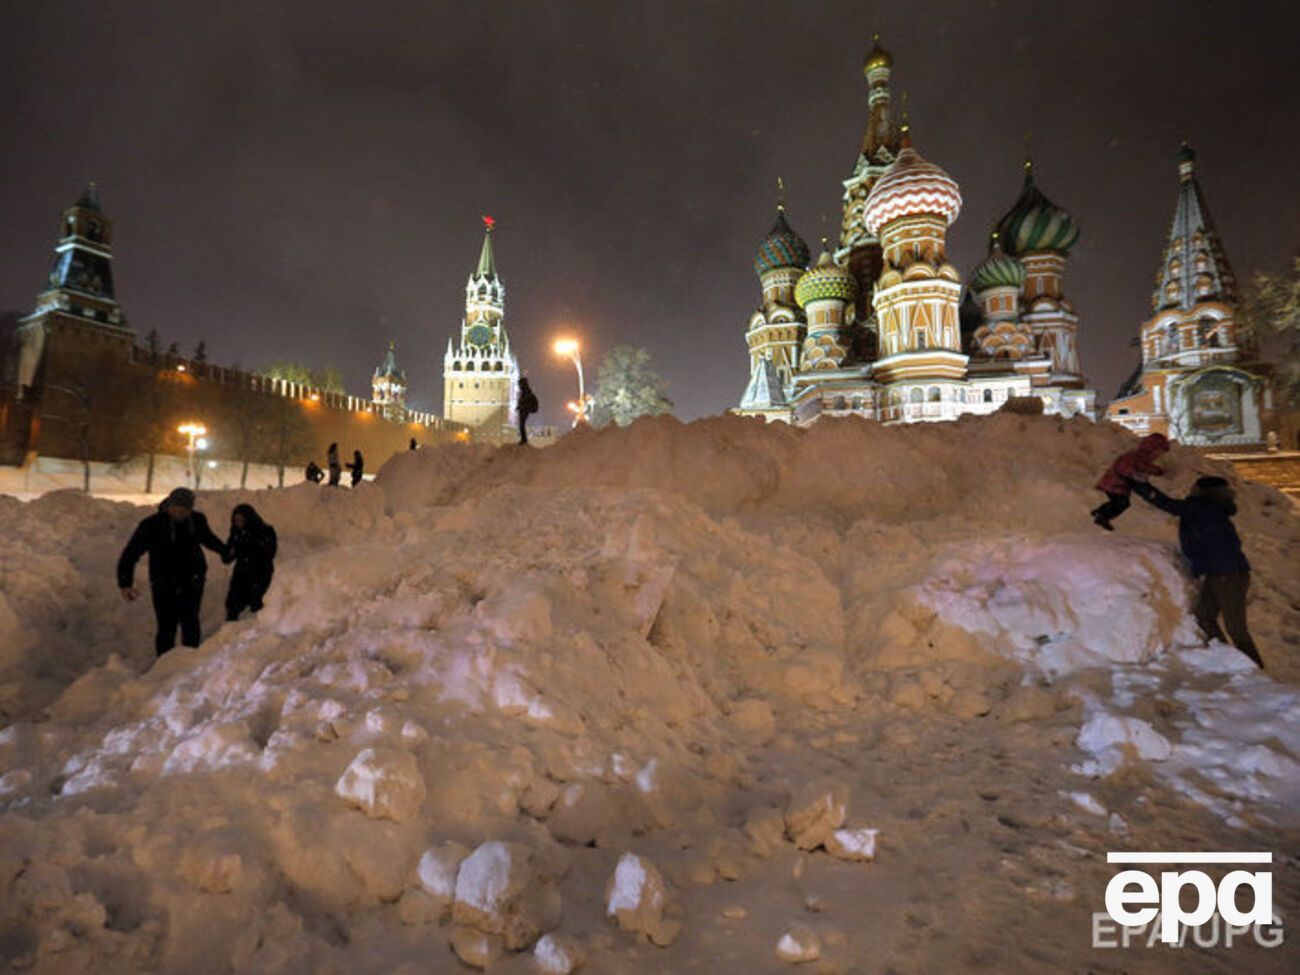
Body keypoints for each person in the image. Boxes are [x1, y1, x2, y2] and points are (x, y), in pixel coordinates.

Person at [1127, 474, 1264, 669]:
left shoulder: (1204, 507)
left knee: (1236, 628)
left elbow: (1168, 504)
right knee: (1204, 616)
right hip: (1219, 573)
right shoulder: (1210, 508)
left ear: (1201, 491)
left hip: (1228, 574)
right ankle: (1227, 659)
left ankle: (1254, 669)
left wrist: (1140, 485)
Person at [117, 487, 227, 656]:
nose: (179, 513)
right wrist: (125, 583)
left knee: (190, 622)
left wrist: (226, 552)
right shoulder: (151, 525)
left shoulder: (196, 520)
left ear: (190, 509)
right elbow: (131, 553)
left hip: (192, 579)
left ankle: (190, 659)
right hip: (163, 582)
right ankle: (164, 666)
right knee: (166, 625)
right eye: (176, 508)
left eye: (184, 510)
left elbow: (208, 539)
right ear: (169, 505)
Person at [1091, 432, 1170, 531]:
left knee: (1119, 502)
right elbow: (1131, 469)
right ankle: (1101, 515)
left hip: (1118, 485)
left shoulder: (1139, 457)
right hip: (1115, 484)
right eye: (1157, 452)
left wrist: (1155, 471)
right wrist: (1138, 475)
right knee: (1122, 502)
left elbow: (1144, 468)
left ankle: (1100, 513)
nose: (1157, 456)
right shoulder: (1135, 457)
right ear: (1152, 449)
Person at [223, 503, 278, 620]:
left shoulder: (265, 531)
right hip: (241, 573)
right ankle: (229, 634)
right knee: (233, 605)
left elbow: (269, 552)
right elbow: (227, 557)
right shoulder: (236, 533)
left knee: (256, 604)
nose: (238, 523)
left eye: (241, 520)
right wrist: (229, 552)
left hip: (260, 573)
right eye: (236, 520)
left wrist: (241, 550)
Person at [517, 376, 539, 445]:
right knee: (521, 425)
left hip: (525, 409)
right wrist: (519, 406)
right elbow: (522, 401)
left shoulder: (525, 392)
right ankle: (523, 440)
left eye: (519, 384)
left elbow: (525, 401)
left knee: (521, 425)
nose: (519, 386)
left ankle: (524, 440)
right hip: (523, 409)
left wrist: (522, 407)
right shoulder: (524, 391)